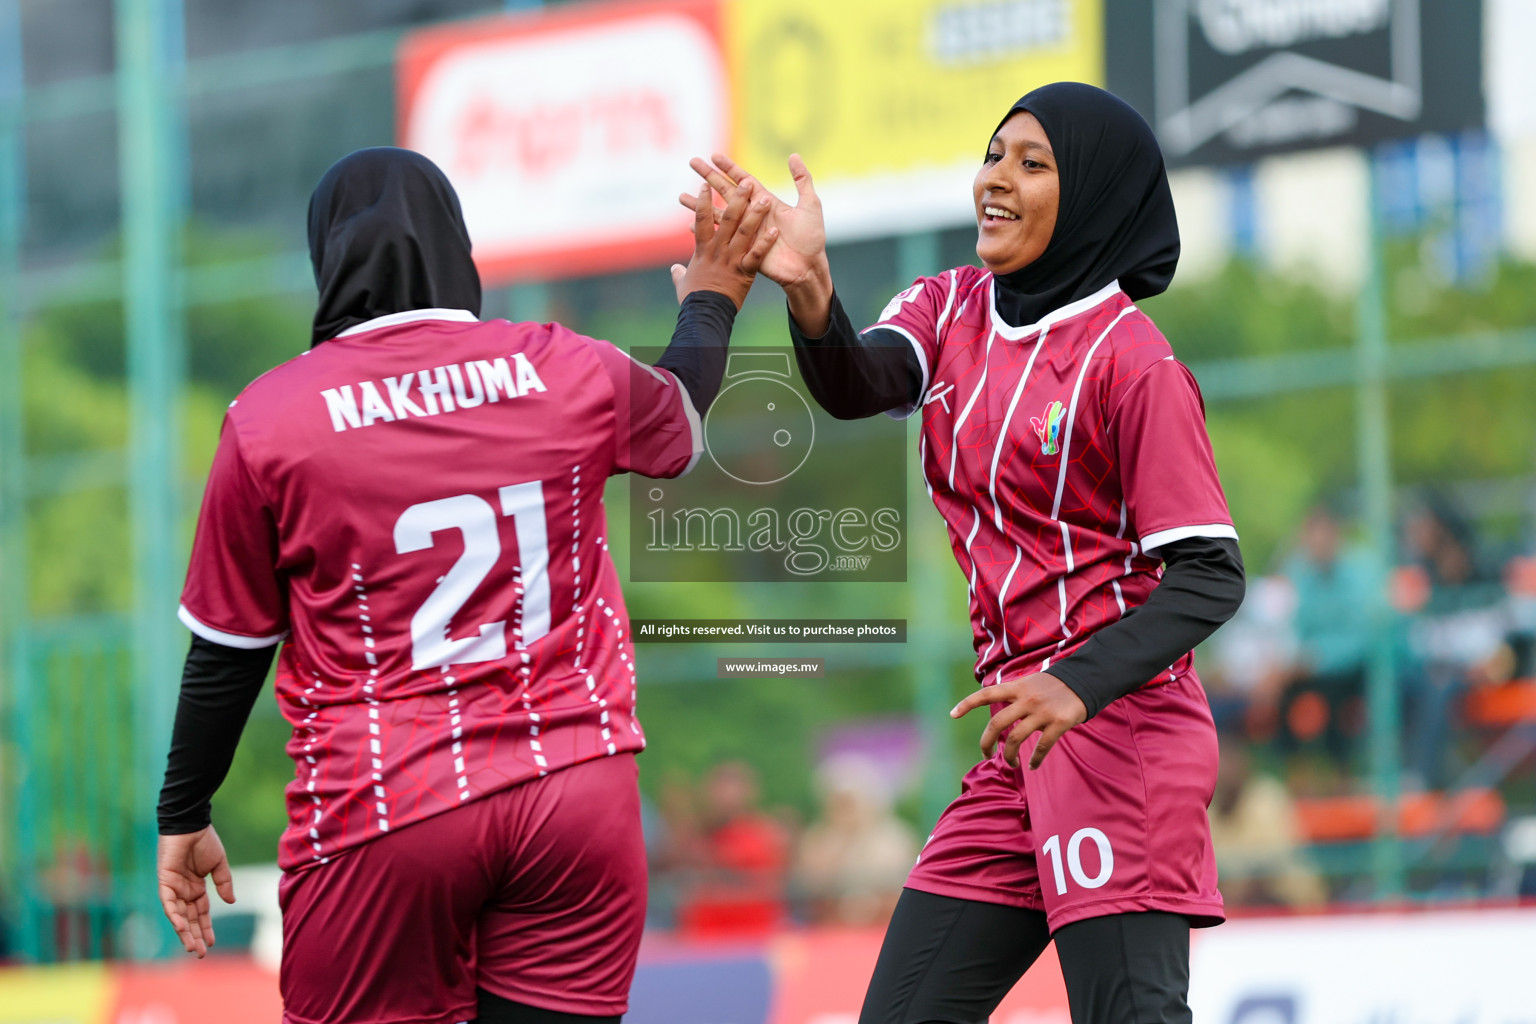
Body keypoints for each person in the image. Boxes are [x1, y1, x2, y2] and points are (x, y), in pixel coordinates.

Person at [154, 147, 774, 1024]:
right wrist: (713, 295)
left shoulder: (269, 420)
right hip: (575, 795)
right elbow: (679, 414)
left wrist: (184, 809)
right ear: (459, 244)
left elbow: (227, 652)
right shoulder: (566, 365)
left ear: (323, 259)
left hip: (386, 807)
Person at [685, 82, 1246, 1024]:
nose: (997, 179)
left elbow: (1210, 575)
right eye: (994, 155)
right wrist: (811, 289)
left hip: (1119, 734)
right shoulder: (949, 306)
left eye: (1033, 164)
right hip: (1018, 742)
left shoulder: (1131, 362)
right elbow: (860, 385)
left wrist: (1076, 684)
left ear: (1098, 197)